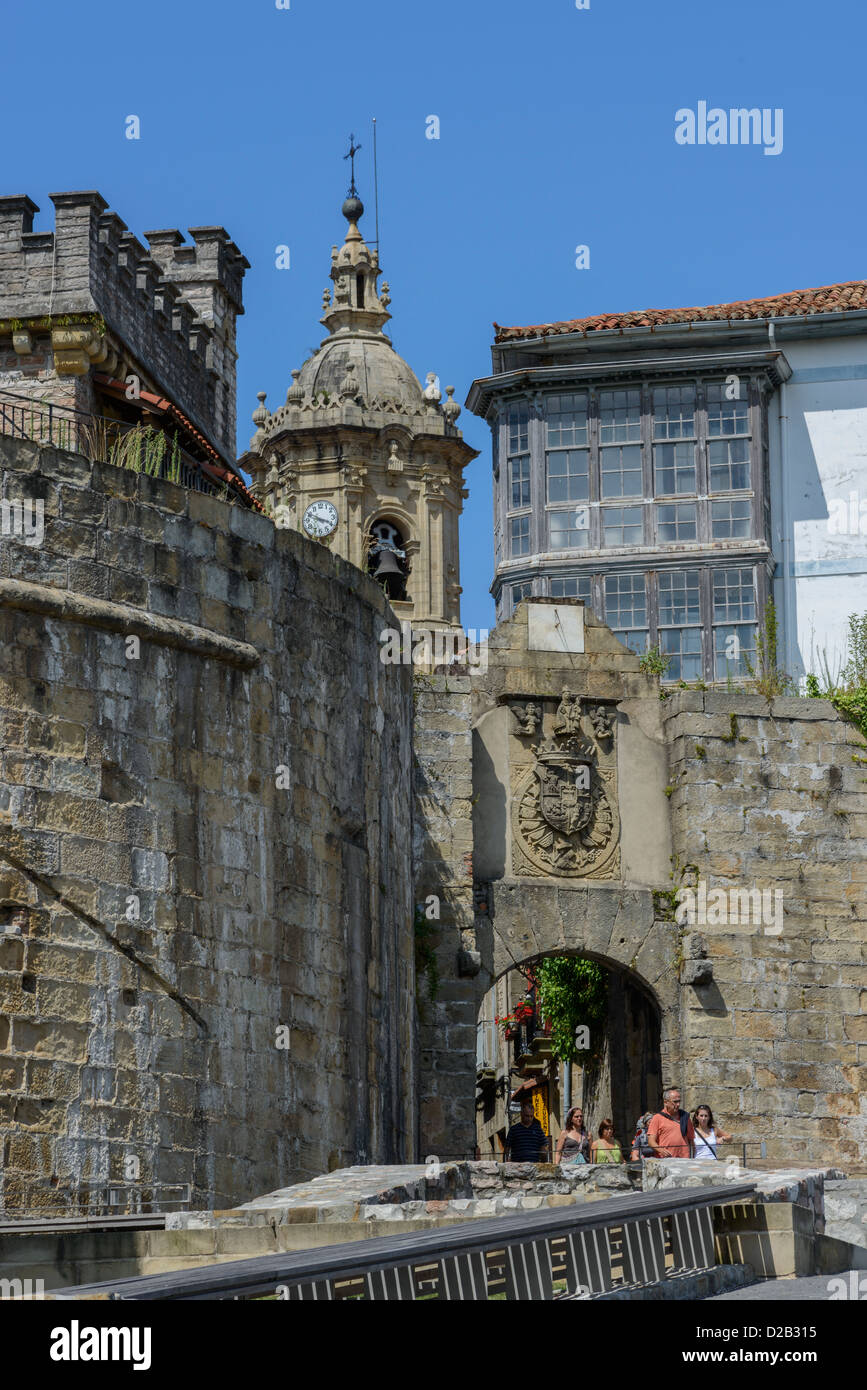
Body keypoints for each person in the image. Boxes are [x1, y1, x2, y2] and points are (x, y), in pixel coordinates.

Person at [646, 1086, 695, 1159]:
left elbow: (691, 1140)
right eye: (675, 1102)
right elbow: (651, 1141)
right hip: (666, 1159)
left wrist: (692, 1157)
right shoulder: (657, 1118)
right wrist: (661, 1150)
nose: (678, 1104)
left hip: (684, 1159)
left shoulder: (685, 1117)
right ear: (666, 1102)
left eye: (679, 1101)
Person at [504, 1097, 550, 1161]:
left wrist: (544, 1159)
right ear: (521, 1114)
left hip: (534, 1166)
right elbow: (507, 1148)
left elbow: (544, 1146)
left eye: (531, 1116)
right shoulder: (513, 1130)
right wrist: (506, 1162)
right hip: (517, 1166)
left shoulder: (538, 1130)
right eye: (527, 1116)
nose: (529, 1119)